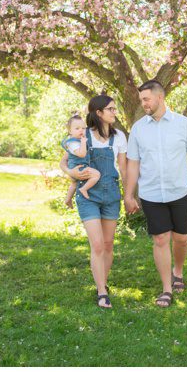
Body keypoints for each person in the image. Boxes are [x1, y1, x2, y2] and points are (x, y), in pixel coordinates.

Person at [124, 80, 187, 308]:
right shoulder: (139, 128)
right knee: (160, 239)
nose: (143, 103)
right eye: (141, 100)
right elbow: (133, 163)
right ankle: (166, 288)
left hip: (180, 192)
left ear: (160, 97)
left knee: (181, 239)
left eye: (146, 99)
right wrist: (129, 195)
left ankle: (178, 270)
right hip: (151, 194)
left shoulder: (183, 124)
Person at [60, 95, 128, 309]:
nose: (114, 112)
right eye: (111, 109)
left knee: (108, 244)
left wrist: (128, 195)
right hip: (88, 195)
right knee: (97, 244)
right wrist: (70, 171)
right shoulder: (83, 134)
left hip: (111, 195)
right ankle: (101, 292)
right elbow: (63, 161)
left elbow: (124, 168)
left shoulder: (119, 137)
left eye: (115, 108)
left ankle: (103, 283)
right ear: (99, 113)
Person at [62, 114, 100, 201]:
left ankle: (68, 200)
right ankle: (84, 189)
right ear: (70, 131)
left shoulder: (74, 140)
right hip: (78, 168)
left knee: (74, 184)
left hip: (75, 168)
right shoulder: (73, 143)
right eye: (77, 128)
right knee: (96, 175)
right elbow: (82, 154)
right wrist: (83, 142)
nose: (81, 130)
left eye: (83, 128)